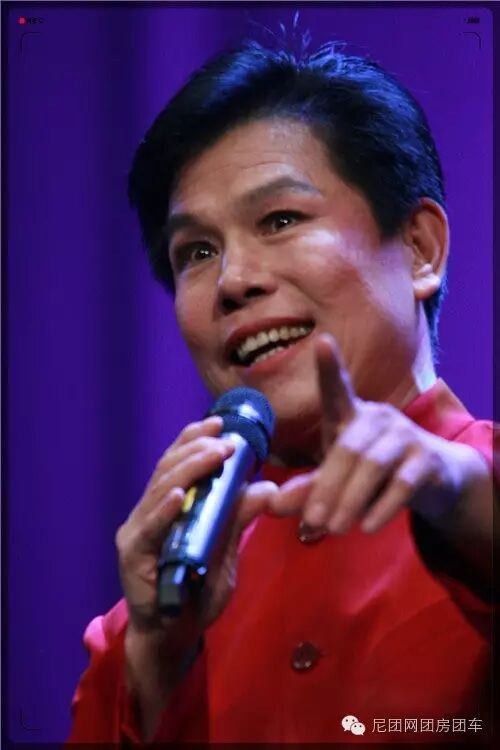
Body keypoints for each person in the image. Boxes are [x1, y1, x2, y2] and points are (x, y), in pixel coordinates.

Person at [66, 37, 498, 745]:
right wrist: (156, 658)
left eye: (281, 220)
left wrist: (465, 500)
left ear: (420, 249)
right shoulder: (149, 618)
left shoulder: (475, 493)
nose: (233, 279)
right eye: (196, 251)